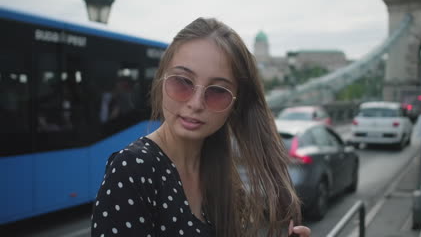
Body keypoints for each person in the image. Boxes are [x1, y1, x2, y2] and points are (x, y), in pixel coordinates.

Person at [91, 17, 311, 237]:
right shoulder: (132, 168)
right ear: (161, 79)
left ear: (235, 103)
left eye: (217, 91)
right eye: (183, 82)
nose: (195, 104)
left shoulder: (221, 173)